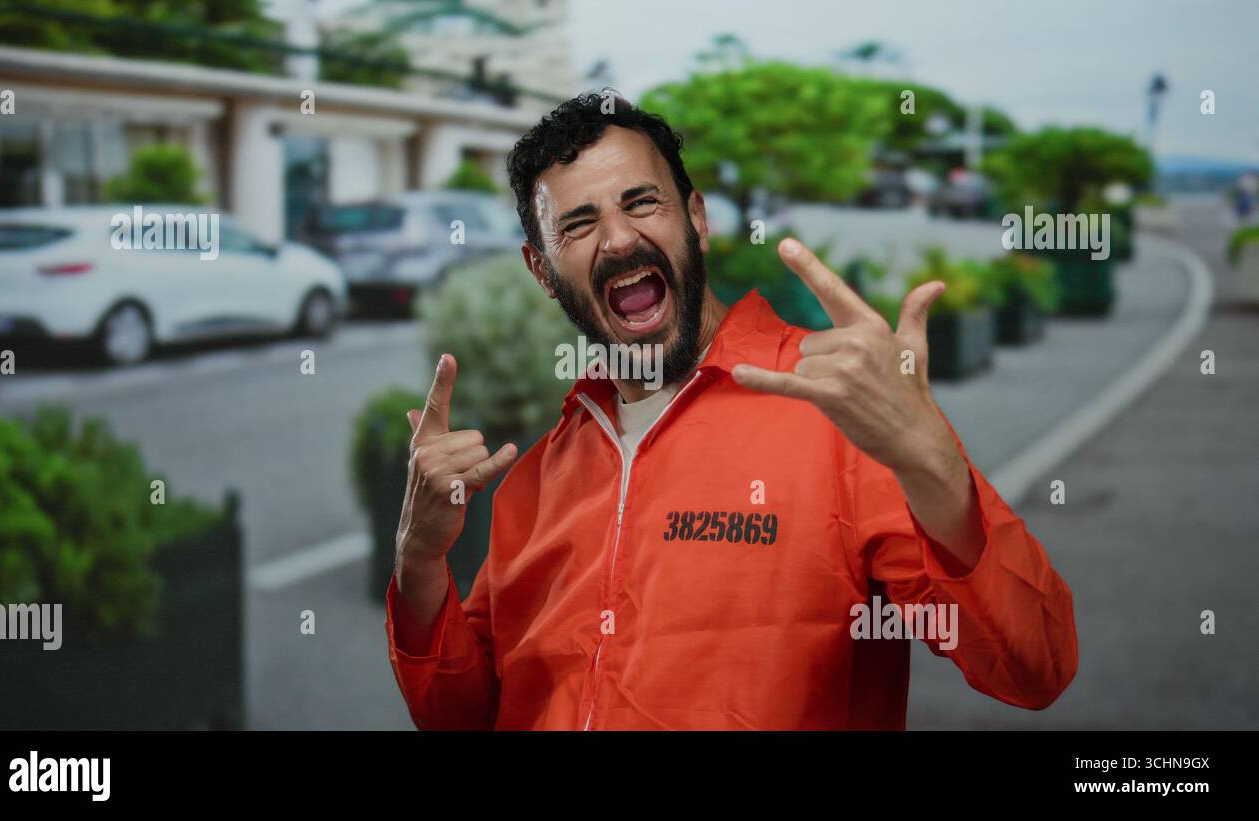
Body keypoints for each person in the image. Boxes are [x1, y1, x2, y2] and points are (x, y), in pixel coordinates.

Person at [385, 92, 1078, 730]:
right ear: (542, 270)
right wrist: (419, 563)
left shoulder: (838, 410)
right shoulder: (534, 482)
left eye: (642, 202)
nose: (620, 239)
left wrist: (934, 464)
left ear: (696, 218)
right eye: (580, 222)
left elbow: (1032, 666)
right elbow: (464, 717)